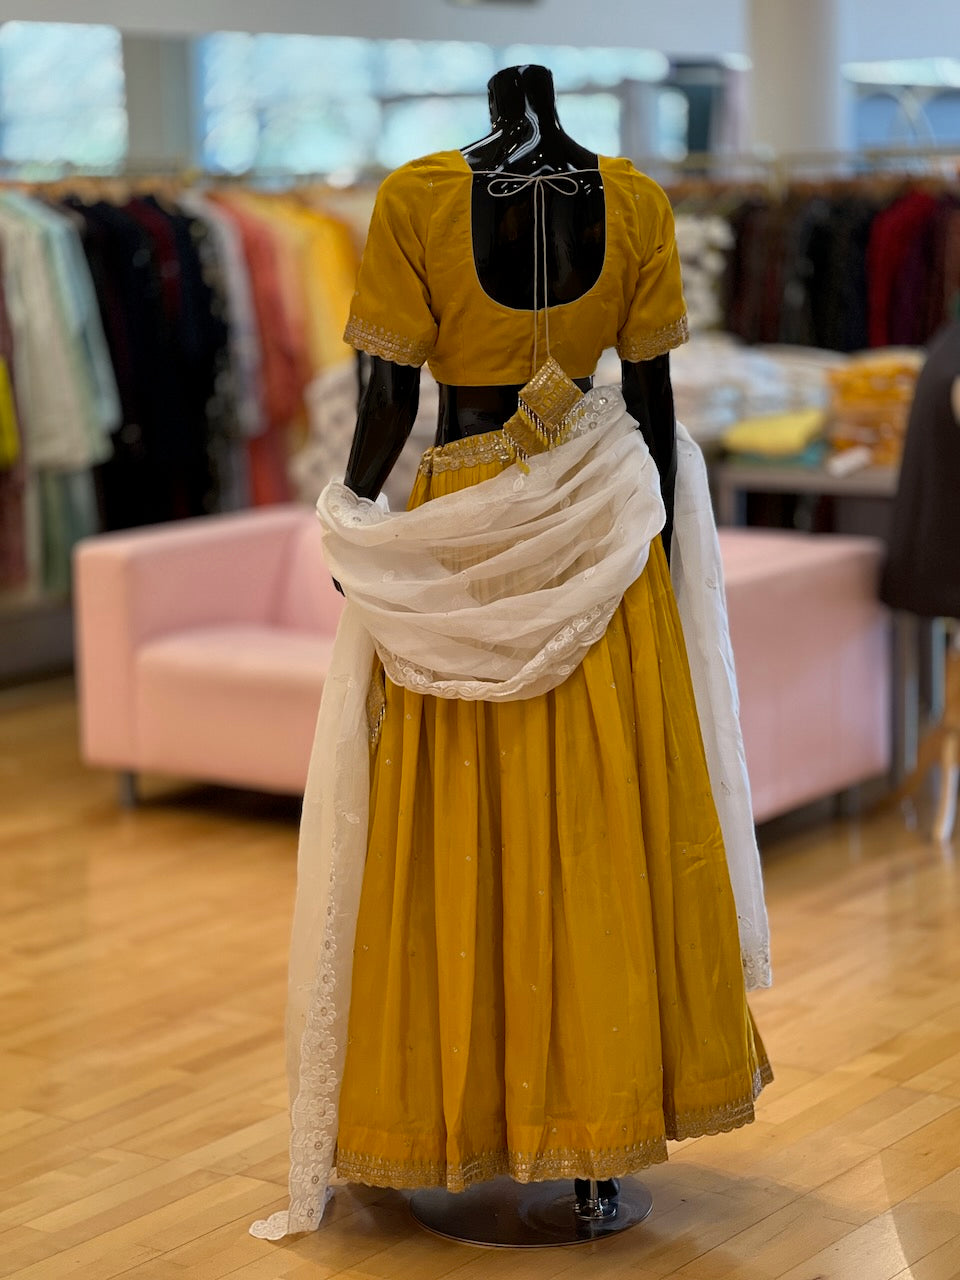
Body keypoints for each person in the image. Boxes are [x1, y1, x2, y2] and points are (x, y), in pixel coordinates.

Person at [251, 64, 771, 1242]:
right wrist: (656, 551)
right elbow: (652, 403)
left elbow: (388, 396)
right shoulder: (634, 201)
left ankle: (460, 1115)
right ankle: (593, 1142)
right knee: (601, 825)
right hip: (600, 525)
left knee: (455, 825)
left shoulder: (420, 199)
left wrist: (356, 514)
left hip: (468, 531)